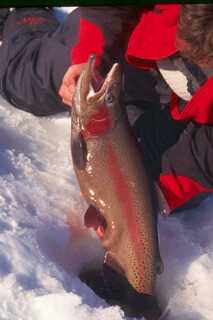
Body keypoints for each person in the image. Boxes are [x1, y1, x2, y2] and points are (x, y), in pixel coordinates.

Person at [59, 4, 213, 216]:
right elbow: (104, 9)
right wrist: (88, 57)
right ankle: (28, 19)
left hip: (190, 116)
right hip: (125, 40)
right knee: (32, 81)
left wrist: (153, 193)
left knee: (146, 184)